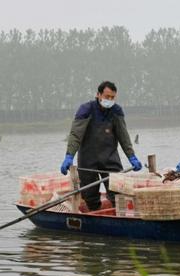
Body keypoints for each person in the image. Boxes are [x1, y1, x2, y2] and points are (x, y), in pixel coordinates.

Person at [60, 81, 142, 211]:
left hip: (110, 158)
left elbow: (124, 137)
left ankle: (120, 216)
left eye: (112, 97)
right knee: (89, 194)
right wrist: (69, 156)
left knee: (118, 191)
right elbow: (75, 135)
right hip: (88, 159)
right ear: (98, 94)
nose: (109, 100)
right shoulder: (86, 110)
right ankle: (95, 214)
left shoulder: (116, 111)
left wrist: (132, 157)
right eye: (107, 96)